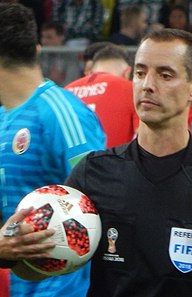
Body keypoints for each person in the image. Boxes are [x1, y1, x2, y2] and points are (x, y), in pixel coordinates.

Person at [1, 28, 192, 297]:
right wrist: (13, 250)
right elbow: (37, 271)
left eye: (165, 75)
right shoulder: (93, 172)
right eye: (140, 72)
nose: (147, 84)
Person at [0, 3, 106, 297]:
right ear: (36, 49)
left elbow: (102, 198)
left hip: (66, 289)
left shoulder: (62, 113)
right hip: (19, 287)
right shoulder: (2, 118)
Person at [65, 44, 138, 148]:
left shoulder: (66, 91)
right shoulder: (130, 89)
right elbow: (147, 138)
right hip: (112, 161)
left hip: (69, 162)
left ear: (90, 71)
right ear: (128, 72)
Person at [40, 21, 82, 86]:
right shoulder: (40, 55)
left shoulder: (70, 55)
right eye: (43, 37)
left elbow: (72, 83)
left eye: (49, 37)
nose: (44, 41)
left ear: (61, 37)